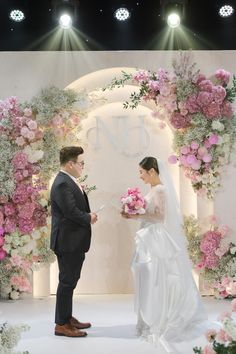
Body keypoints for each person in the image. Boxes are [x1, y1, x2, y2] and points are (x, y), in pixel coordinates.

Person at [122, 157, 207, 353]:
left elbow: (160, 216)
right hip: (148, 235)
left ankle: (158, 318)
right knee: (149, 277)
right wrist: (135, 211)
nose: (140, 176)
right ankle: (150, 316)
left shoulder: (159, 190)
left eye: (142, 172)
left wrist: (136, 214)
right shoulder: (153, 190)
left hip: (155, 237)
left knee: (156, 278)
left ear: (152, 171)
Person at [50, 146, 97, 337]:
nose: (83, 166)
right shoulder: (62, 182)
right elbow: (70, 211)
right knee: (67, 281)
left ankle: (67, 317)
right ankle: (61, 324)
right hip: (68, 241)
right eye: (81, 163)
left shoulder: (69, 180)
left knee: (70, 280)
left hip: (74, 241)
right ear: (70, 164)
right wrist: (88, 217)